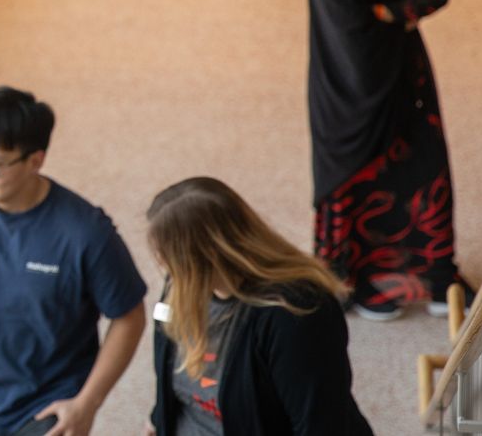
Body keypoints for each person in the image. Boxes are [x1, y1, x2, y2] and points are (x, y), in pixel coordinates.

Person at [0, 87, 146, 436]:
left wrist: (87, 403)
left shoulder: (86, 232)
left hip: (47, 416)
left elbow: (129, 316)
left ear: (35, 161)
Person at [307, 0, 465, 321]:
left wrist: (387, 13)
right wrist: (398, 14)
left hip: (407, 75)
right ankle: (355, 280)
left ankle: (435, 275)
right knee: (358, 176)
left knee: (425, 166)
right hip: (348, 88)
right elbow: (348, 30)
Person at [145, 177, 373, 436]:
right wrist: (158, 418)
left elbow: (320, 423)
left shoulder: (297, 314)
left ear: (202, 260)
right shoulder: (179, 285)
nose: (162, 264)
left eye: (169, 257)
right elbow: (167, 363)